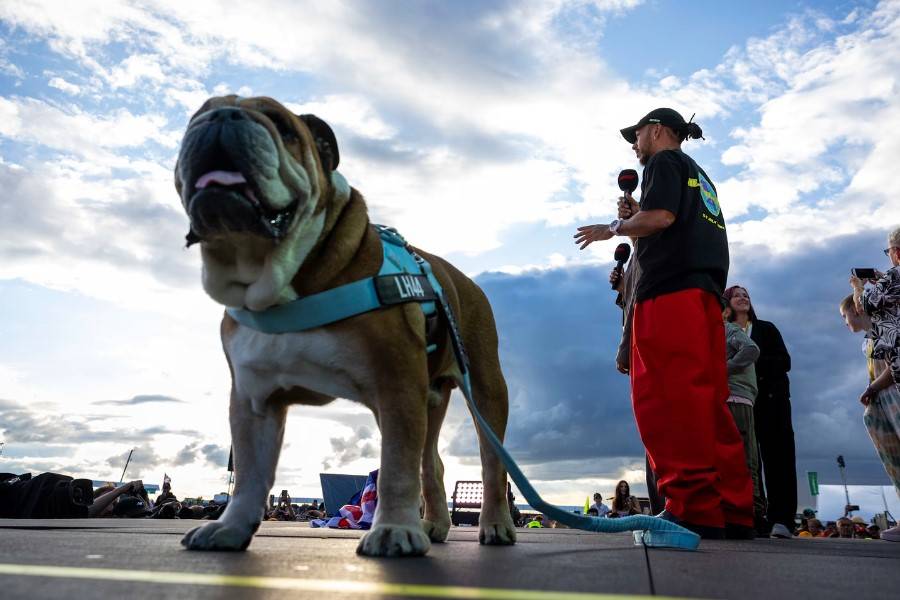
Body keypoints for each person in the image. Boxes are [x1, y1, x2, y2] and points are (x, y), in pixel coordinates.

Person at [575, 107, 753, 539]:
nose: (634, 146)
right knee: (708, 404)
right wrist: (637, 218)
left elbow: (663, 219)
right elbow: (664, 224)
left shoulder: (663, 162)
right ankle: (732, 510)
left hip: (670, 296)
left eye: (635, 137)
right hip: (703, 298)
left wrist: (612, 227)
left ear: (655, 131)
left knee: (667, 401)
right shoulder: (698, 175)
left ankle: (691, 507)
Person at [723, 285, 796, 539]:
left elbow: (784, 361)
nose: (743, 298)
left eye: (746, 295)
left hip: (771, 399)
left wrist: (749, 359)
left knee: (778, 456)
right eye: (736, 295)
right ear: (727, 303)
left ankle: (783, 519)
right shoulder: (725, 331)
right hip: (741, 399)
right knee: (748, 459)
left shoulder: (766, 328)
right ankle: (756, 514)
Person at [839, 293, 900, 543]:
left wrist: (872, 387)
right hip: (882, 401)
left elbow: (895, 366)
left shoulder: (885, 329)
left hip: (894, 395)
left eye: (844, 316)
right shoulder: (868, 341)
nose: (845, 322)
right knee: (894, 460)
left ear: (856, 309)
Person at [723, 307, 765, 535]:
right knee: (733, 457)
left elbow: (751, 348)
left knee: (745, 457)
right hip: (723, 398)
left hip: (738, 397)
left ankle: (753, 514)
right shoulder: (712, 330)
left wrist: (722, 369)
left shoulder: (728, 328)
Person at [852, 226, 900, 391]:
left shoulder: (895, 275)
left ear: (897, 252)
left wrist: (858, 287)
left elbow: (861, 306)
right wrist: (882, 279)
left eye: (889, 252)